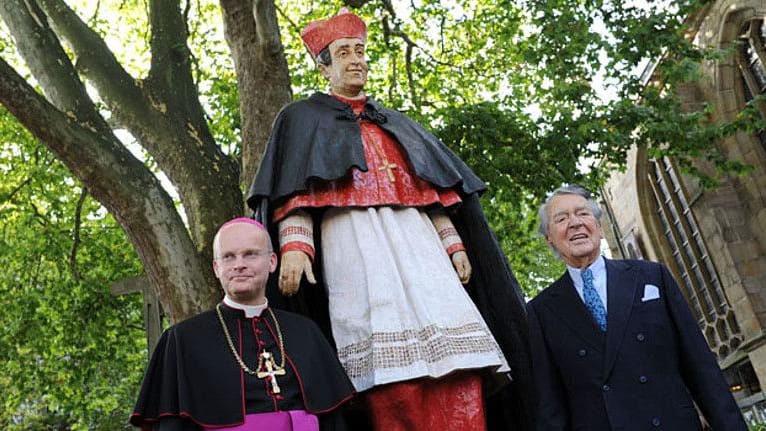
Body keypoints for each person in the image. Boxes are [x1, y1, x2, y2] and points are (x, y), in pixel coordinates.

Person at [246, 8, 532, 431]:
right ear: (324, 67)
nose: (357, 59)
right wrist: (294, 246)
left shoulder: (396, 123)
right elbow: (296, 192)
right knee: (386, 367)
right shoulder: (301, 119)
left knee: (460, 358)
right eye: (344, 52)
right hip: (352, 243)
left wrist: (452, 243)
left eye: (360, 50)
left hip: (419, 247)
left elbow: (431, 189)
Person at [527, 184, 747, 431]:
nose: (575, 222)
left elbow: (701, 368)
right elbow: (550, 406)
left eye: (583, 213)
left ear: (599, 228)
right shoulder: (541, 311)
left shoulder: (652, 277)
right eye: (561, 218)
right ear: (550, 239)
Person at [130, 218, 355, 431]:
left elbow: (333, 420)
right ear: (217, 268)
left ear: (272, 262)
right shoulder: (181, 340)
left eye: (250, 254)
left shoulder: (305, 332)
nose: (239, 265)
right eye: (228, 257)